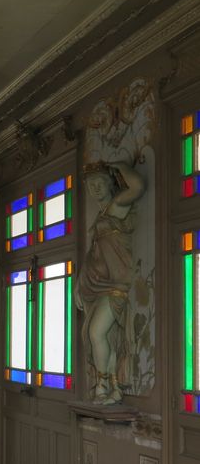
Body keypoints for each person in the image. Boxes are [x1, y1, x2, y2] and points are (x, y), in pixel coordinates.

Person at [75, 160, 145, 404]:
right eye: (90, 185)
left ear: (110, 184)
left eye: (99, 183)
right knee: (108, 336)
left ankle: (102, 384)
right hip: (95, 284)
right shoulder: (102, 214)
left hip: (115, 285)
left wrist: (120, 167)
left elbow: (137, 187)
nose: (94, 189)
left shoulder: (117, 206)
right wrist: (78, 285)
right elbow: (92, 253)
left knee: (96, 332)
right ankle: (113, 389)